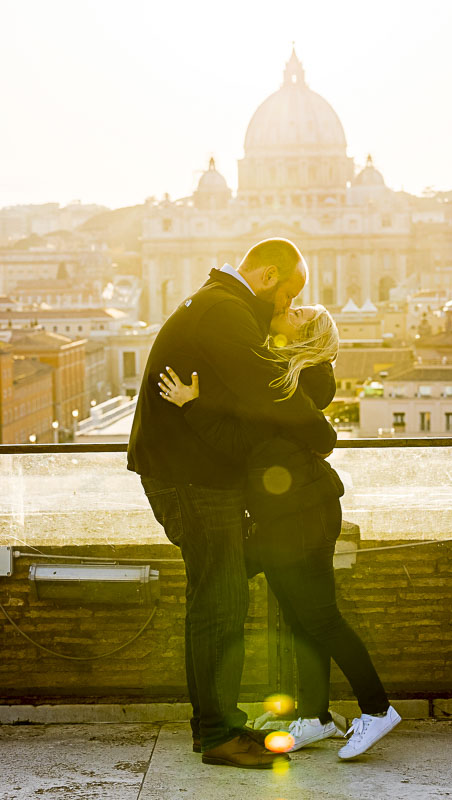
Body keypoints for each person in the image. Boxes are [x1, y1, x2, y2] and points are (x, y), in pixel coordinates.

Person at [159, 303, 401, 761]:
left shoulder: (299, 382)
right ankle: (316, 717)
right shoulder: (286, 377)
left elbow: (243, 441)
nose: (288, 309)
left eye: (299, 313)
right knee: (300, 621)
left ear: (308, 335)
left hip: (301, 515)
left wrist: (193, 407)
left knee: (322, 618)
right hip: (287, 515)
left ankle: (377, 709)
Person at [127, 239, 336, 769]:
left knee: (213, 598)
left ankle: (212, 725)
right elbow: (267, 389)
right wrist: (321, 432)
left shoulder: (219, 303)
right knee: (221, 602)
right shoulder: (226, 311)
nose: (285, 308)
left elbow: (244, 395)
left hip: (187, 473)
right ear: (266, 276)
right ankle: (219, 734)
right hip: (190, 479)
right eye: (286, 295)